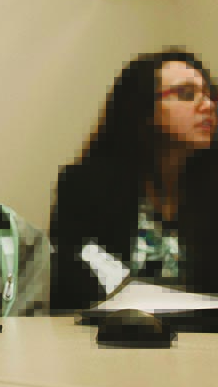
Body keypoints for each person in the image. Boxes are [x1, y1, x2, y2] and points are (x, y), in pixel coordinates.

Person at [49, 48, 218, 312]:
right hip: (111, 339)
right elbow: (77, 286)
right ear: (145, 109)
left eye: (209, 95)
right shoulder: (84, 187)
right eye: (187, 94)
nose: (207, 105)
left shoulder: (210, 190)